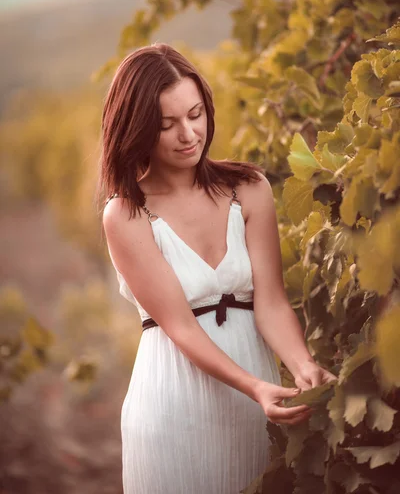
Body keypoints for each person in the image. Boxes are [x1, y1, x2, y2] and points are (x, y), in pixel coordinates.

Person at [100, 43, 335, 494]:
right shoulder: (126, 214)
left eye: (195, 114)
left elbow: (270, 302)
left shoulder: (248, 189)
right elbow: (181, 328)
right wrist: (254, 387)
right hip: (173, 402)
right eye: (167, 124)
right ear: (137, 129)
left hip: (256, 399)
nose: (188, 133)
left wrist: (303, 365)